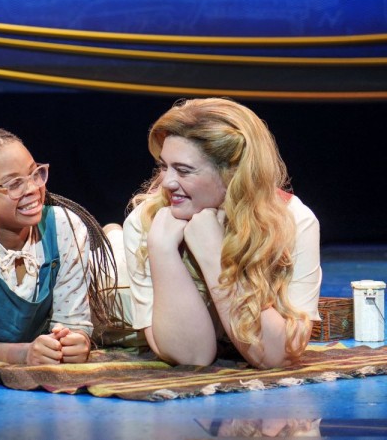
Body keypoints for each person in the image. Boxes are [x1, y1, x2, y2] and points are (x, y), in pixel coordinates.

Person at [121, 97, 321, 368]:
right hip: (115, 286)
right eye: (163, 166)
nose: (166, 182)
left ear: (234, 175)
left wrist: (215, 255)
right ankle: (111, 235)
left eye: (183, 170)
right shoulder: (146, 222)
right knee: (115, 251)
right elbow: (191, 356)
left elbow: (278, 355)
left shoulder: (295, 221)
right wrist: (162, 248)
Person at [0, 126, 120, 365]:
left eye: (35, 174)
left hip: (114, 281)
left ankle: (114, 233)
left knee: (121, 254)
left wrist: (74, 340)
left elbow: (72, 324)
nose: (33, 189)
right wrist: (20, 354)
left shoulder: (65, 227)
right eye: (14, 184)